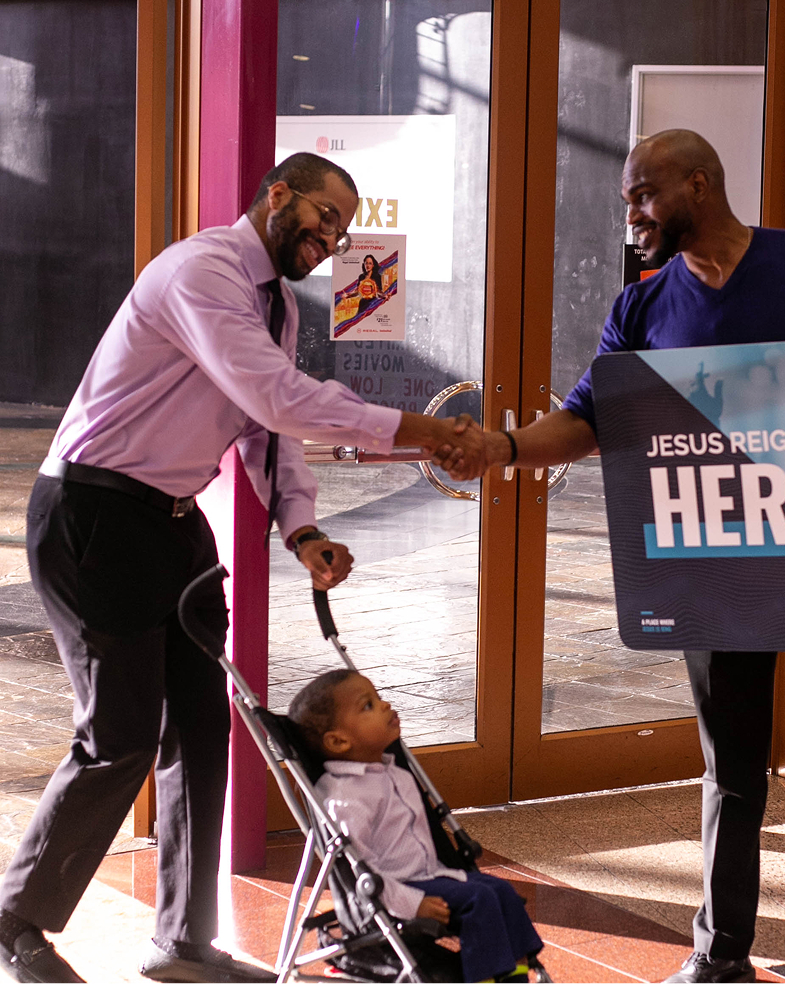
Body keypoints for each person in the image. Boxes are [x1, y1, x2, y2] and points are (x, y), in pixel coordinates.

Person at [442, 130, 785, 984]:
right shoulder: (641, 306)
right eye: (628, 202)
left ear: (698, 184)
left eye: (643, 196)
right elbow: (588, 418)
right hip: (716, 556)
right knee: (730, 768)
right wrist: (502, 448)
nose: (633, 216)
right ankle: (720, 953)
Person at [0, 152, 484, 984]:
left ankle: (183, 944)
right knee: (118, 736)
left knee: (201, 730)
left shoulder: (277, 307)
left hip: (174, 523)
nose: (330, 239)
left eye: (342, 230)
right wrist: (427, 431)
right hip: (94, 512)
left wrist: (303, 528)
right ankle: (16, 924)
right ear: (277, 195)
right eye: (324, 217)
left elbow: (270, 430)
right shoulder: (203, 272)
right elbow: (276, 397)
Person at [288, 670, 544, 983]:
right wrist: (413, 903)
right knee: (481, 900)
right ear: (339, 741)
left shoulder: (395, 773)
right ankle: (485, 979)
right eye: (368, 705)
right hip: (401, 888)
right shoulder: (345, 797)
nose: (385, 705)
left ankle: (516, 975)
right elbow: (360, 872)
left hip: (433, 874)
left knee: (501, 891)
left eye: (379, 698)